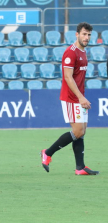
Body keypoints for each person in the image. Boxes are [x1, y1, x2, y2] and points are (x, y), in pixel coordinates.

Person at [41, 22, 98, 175]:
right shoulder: (71, 52)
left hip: (79, 97)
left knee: (82, 131)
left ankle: (80, 168)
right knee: (78, 131)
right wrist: (80, 97)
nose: (86, 37)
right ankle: (47, 153)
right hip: (72, 98)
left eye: (89, 35)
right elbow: (67, 77)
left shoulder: (83, 52)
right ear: (77, 34)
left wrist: (82, 96)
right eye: (84, 34)